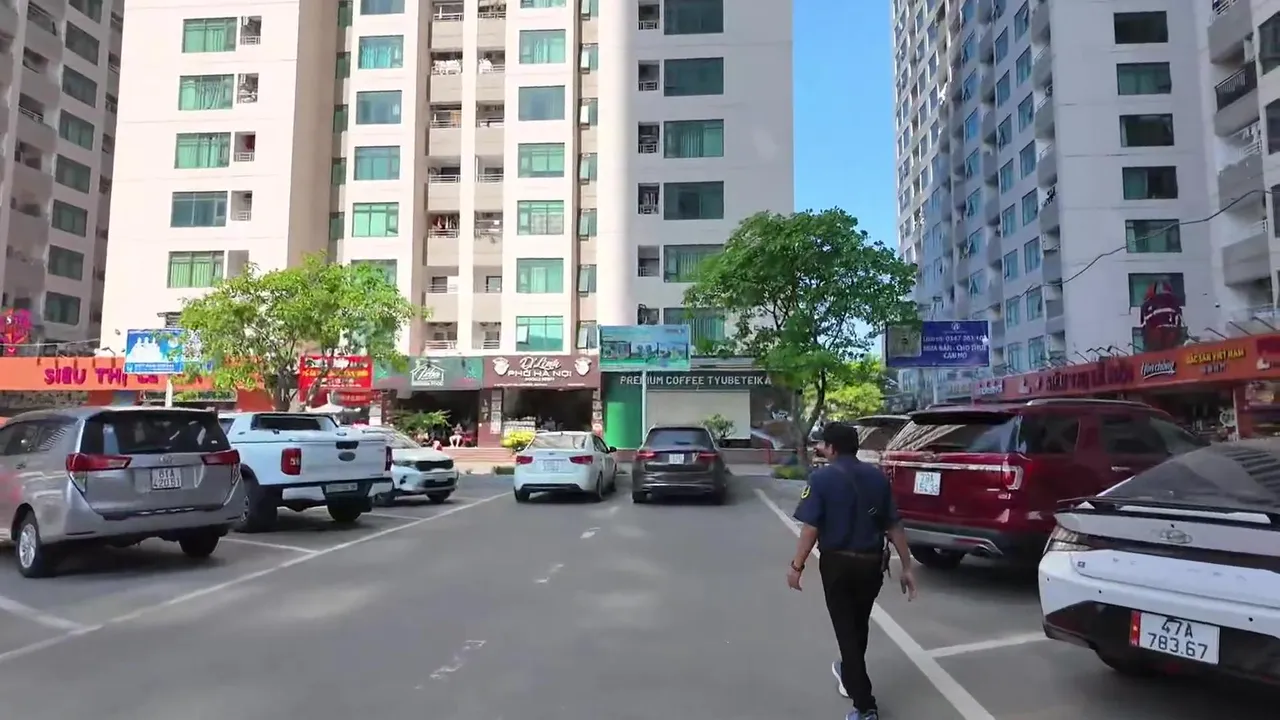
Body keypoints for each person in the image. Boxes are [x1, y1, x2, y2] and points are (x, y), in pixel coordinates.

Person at [787, 421, 918, 720]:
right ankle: (849, 672)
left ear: (832, 448)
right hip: (871, 564)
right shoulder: (877, 478)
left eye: (823, 444)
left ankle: (865, 705)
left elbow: (810, 528)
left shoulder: (821, 479)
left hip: (838, 564)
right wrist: (907, 566)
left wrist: (797, 566)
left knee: (846, 630)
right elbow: (894, 525)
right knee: (858, 624)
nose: (820, 448)